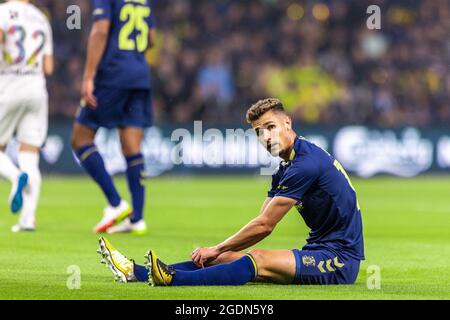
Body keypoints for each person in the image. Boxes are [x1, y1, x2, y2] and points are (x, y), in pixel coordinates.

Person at [98, 98, 365, 286]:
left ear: (287, 123)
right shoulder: (286, 166)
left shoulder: (305, 164)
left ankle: (172, 280)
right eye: (259, 133)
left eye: (271, 127)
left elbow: (264, 226)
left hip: (339, 260)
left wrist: (214, 248)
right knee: (228, 258)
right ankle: (136, 271)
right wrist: (220, 253)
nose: (266, 138)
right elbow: (260, 218)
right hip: (318, 249)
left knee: (256, 259)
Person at [71, 0, 156, 234]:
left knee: (80, 138)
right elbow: (151, 38)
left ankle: (116, 203)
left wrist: (88, 76)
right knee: (132, 146)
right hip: (139, 76)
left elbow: (100, 29)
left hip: (112, 75)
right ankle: (137, 218)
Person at [0, 0, 53, 232]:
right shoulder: (41, 18)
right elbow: (48, 67)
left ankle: (15, 175)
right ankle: (28, 219)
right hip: (37, 89)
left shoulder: (2, 12)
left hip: (9, 85)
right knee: (30, 152)